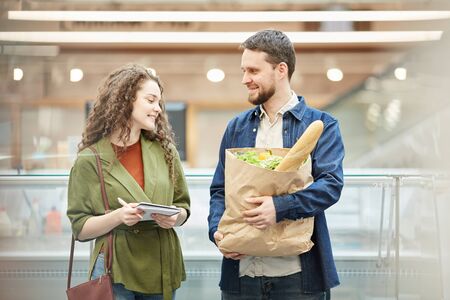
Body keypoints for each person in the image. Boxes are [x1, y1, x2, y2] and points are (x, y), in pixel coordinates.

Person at [208, 29, 345, 299]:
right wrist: (216, 232)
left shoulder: (322, 125)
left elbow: (330, 185)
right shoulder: (236, 127)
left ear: (281, 70)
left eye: (253, 71)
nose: (245, 79)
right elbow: (219, 190)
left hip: (297, 277)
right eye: (243, 71)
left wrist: (280, 208)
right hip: (242, 275)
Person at [67, 63, 191, 300]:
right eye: (151, 100)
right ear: (126, 101)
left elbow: (183, 206)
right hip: (115, 268)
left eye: (159, 103)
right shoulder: (89, 160)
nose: (158, 109)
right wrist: (117, 217)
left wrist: (175, 217)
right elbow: (80, 229)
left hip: (161, 263)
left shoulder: (166, 152)